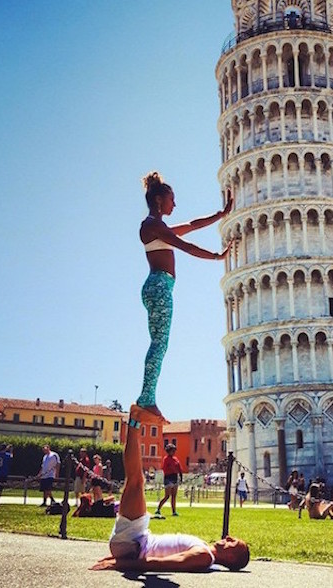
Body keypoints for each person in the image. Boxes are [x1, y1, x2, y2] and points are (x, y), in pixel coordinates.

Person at [90, 405, 249, 573]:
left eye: (233, 543)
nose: (228, 537)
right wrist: (119, 558)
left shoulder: (204, 556)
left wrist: (120, 564)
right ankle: (135, 419)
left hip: (133, 542)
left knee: (136, 480)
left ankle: (135, 419)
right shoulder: (205, 550)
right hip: (135, 540)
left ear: (231, 557)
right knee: (136, 480)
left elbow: (161, 564)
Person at [136, 171, 232, 417]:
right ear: (159, 200)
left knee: (159, 343)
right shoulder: (152, 225)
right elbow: (185, 245)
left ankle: (148, 396)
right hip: (159, 286)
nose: (174, 204)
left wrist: (220, 215)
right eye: (172, 199)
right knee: (159, 344)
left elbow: (191, 226)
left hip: (159, 286)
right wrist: (216, 256)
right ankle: (147, 398)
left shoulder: (157, 226)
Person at [155, 444, 183, 518]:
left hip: (175, 477)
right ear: (169, 451)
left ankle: (174, 511)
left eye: (174, 450)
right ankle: (158, 509)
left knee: (174, 496)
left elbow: (179, 468)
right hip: (168, 478)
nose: (174, 452)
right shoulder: (166, 459)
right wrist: (171, 469)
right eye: (172, 450)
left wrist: (180, 476)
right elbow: (164, 469)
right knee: (167, 496)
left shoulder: (175, 459)